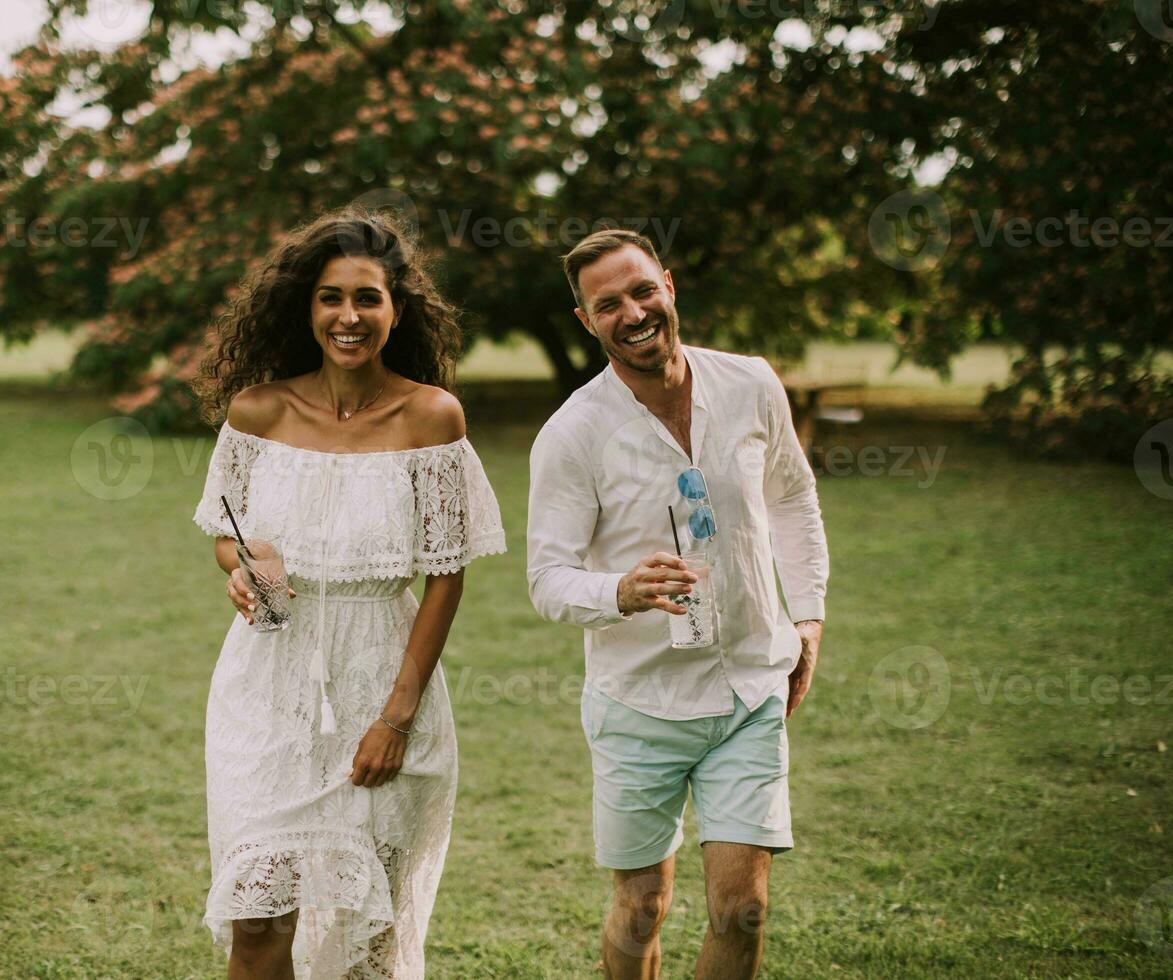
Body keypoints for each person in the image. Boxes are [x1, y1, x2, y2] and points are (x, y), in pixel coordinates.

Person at [191, 208, 506, 979]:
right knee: (257, 919)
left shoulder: (431, 418)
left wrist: (395, 719)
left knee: (369, 938)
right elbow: (224, 530)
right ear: (307, 306)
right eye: (331, 297)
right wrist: (242, 564)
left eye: (367, 298)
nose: (348, 316)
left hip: (383, 685)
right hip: (265, 690)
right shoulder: (257, 412)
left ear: (397, 309)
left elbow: (445, 576)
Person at [526, 229, 829, 979]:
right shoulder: (572, 435)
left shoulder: (752, 383)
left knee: (743, 909)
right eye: (608, 304)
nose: (632, 312)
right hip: (641, 704)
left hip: (750, 687)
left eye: (641, 291)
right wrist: (620, 592)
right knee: (641, 909)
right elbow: (547, 578)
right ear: (585, 321)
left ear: (668, 284)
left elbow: (793, 499)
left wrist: (810, 613)